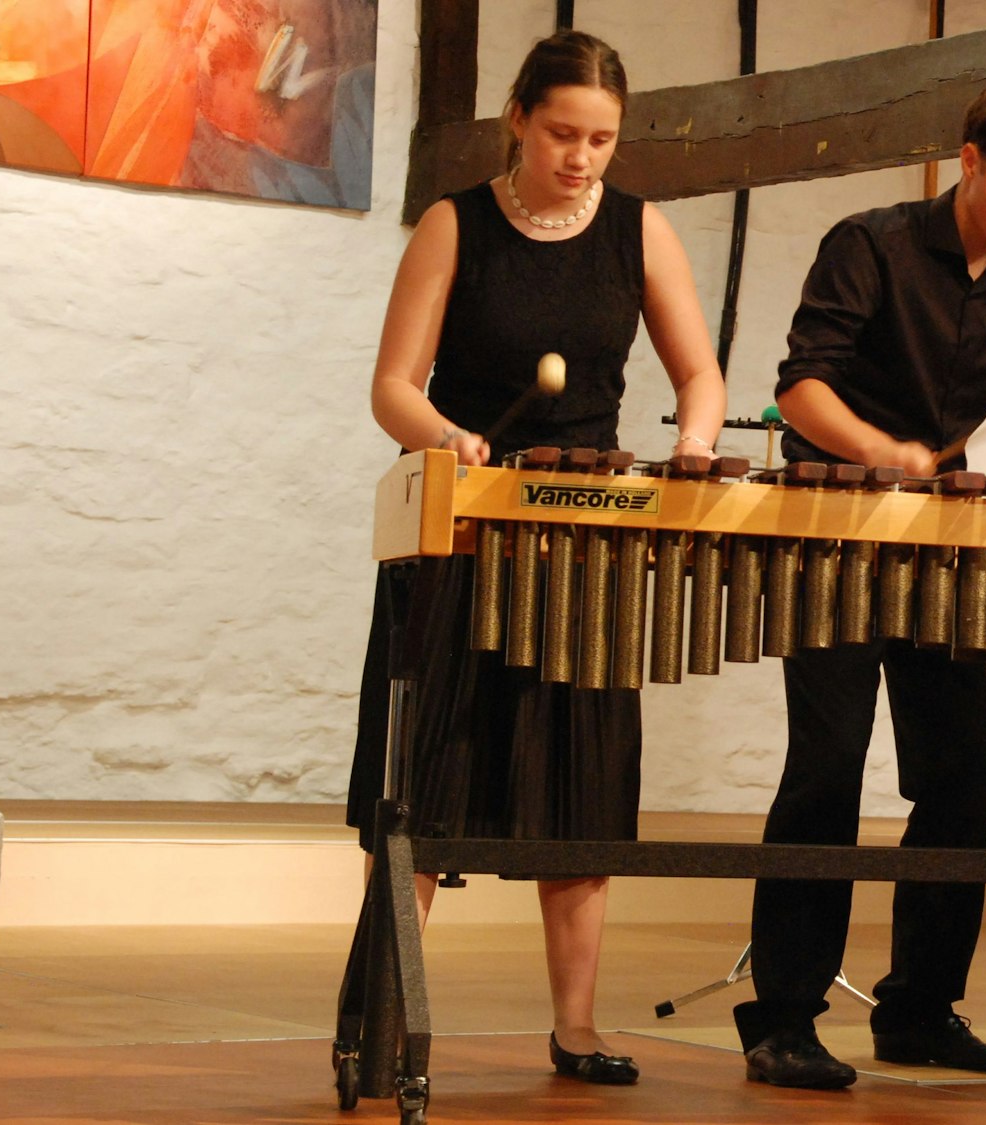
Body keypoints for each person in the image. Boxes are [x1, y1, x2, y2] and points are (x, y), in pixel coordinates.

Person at [348, 30, 726, 1087]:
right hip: (462, 530)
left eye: (601, 138)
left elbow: (699, 373)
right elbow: (393, 383)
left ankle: (577, 1026)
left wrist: (694, 441)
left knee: (583, 778)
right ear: (518, 118)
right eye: (563, 133)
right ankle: (385, 1013)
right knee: (423, 779)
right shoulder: (453, 223)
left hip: (584, 538)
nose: (582, 156)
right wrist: (442, 436)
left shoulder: (639, 233)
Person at [730, 83, 986, 1090]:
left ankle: (920, 1009)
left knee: (959, 774)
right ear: (970, 157)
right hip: (835, 533)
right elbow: (801, 383)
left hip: (948, 550)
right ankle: (784, 1016)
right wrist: (882, 452)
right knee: (828, 762)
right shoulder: (869, 243)